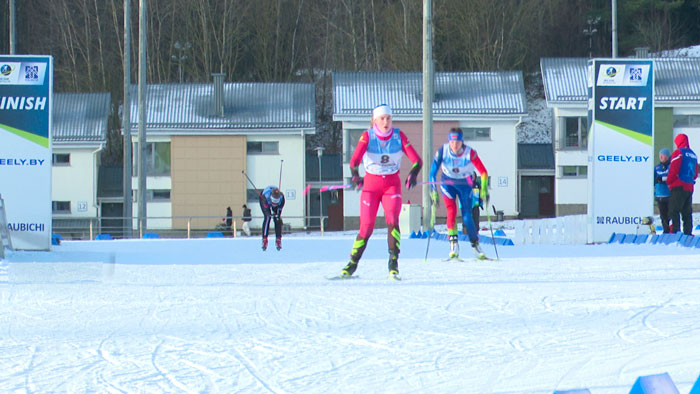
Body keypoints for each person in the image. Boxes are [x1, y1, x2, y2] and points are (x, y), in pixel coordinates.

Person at [339, 104, 422, 280]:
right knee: (366, 226)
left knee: (392, 219)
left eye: (388, 118)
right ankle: (352, 263)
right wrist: (355, 175)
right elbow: (354, 162)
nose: (386, 122)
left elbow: (417, 161)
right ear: (375, 120)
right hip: (371, 186)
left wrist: (413, 174)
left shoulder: (399, 136)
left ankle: (393, 264)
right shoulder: (367, 137)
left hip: (391, 185)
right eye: (382, 118)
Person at [429, 128, 488, 260]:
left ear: (462, 142)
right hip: (448, 184)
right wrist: (433, 191)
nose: (454, 145)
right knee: (451, 212)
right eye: (452, 142)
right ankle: (453, 244)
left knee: (467, 216)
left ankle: (475, 245)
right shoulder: (442, 151)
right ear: (449, 141)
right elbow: (432, 173)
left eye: (457, 142)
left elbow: (483, 172)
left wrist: (484, 190)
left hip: (465, 185)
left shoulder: (470, 153)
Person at [667, 133, 698, 235]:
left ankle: (675, 232)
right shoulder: (693, 155)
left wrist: (669, 181)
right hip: (689, 187)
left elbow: (674, 169)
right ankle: (688, 233)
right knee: (686, 212)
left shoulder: (678, 153)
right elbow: (695, 173)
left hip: (678, 186)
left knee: (673, 210)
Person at [259, 186, 285, 250]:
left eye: (276, 202)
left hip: (273, 202)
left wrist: (277, 215)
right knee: (268, 217)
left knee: (277, 218)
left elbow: (279, 210)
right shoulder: (265, 197)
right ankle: (264, 239)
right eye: (273, 202)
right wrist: (269, 214)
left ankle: (278, 239)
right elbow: (266, 208)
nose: (274, 204)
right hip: (265, 200)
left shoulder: (282, 199)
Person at [654, 148, 671, 233]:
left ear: (667, 156)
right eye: (660, 155)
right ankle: (666, 230)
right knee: (663, 215)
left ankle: (672, 229)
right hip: (659, 195)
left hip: (668, 194)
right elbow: (653, 179)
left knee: (670, 214)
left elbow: (671, 177)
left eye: (663, 155)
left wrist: (663, 179)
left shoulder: (670, 166)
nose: (661, 157)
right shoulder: (657, 168)